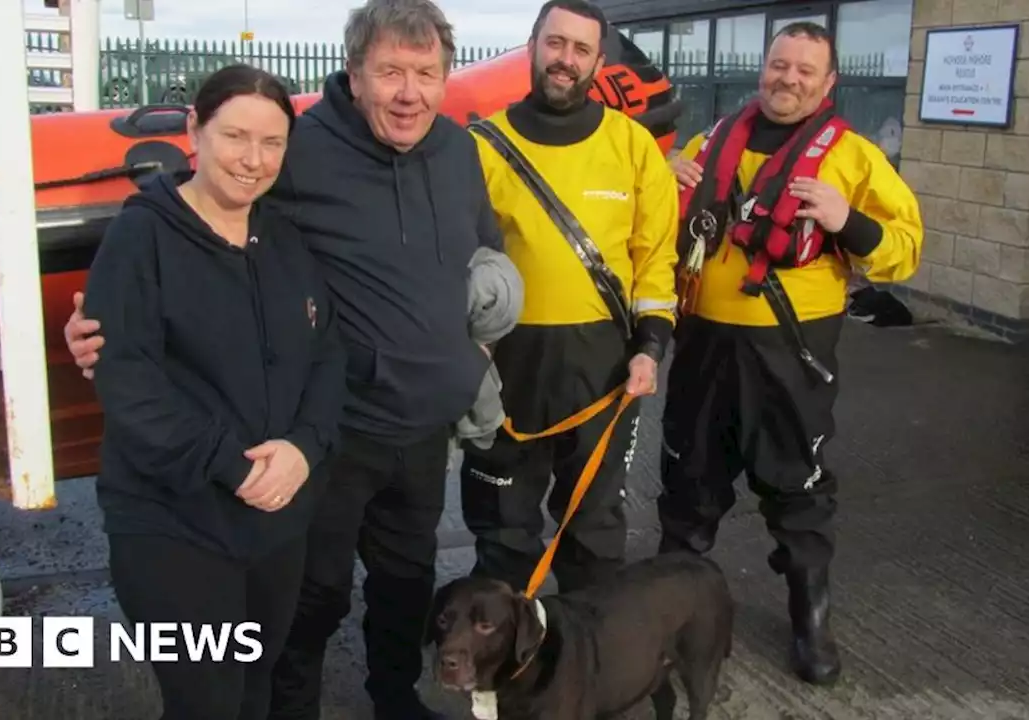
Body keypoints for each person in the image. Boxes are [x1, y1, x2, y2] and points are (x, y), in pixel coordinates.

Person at [64, 1, 504, 717]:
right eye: (389, 70)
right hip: (335, 429)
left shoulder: (457, 151)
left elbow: (478, 250)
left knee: (404, 583)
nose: (408, 91)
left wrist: (485, 329)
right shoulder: (301, 148)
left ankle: (393, 700)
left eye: (426, 73)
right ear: (354, 74)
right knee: (312, 596)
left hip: (422, 427)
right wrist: (95, 320)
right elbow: (198, 218)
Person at [81, 64, 347, 720]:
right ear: (195, 130)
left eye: (272, 143)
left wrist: (306, 448)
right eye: (235, 137)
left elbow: (327, 352)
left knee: (256, 693)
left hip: (275, 522)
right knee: (206, 703)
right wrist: (234, 465)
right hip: (175, 524)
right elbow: (131, 384)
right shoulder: (141, 237)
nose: (252, 161)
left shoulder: (285, 241)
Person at [661, 22, 923, 687]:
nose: (790, 79)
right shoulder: (708, 142)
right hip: (703, 345)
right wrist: (665, 184)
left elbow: (904, 249)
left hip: (791, 351)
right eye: (781, 65)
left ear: (829, 82)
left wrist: (847, 220)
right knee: (689, 486)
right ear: (763, 69)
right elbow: (658, 231)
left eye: (807, 70)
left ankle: (811, 620)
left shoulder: (855, 158)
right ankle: (667, 615)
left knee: (797, 492)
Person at [458, 0, 679, 595]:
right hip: (505, 368)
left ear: (598, 61)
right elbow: (454, 261)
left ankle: (591, 662)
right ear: (533, 45)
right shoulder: (478, 147)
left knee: (595, 530)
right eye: (556, 44)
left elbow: (656, 262)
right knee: (503, 534)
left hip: (603, 369)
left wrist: (650, 347)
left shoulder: (634, 148)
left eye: (581, 49)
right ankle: (501, 664)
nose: (566, 60)